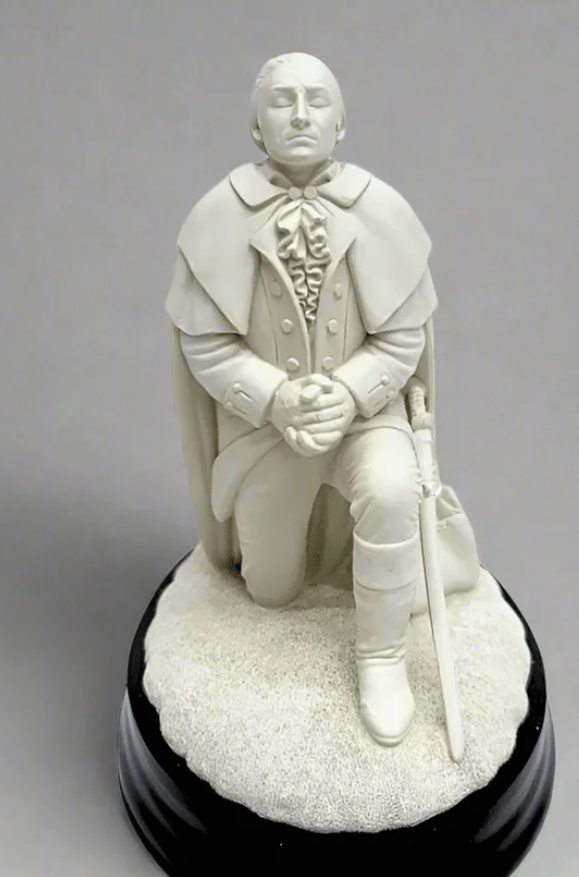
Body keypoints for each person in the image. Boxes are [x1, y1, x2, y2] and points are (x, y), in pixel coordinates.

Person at [166, 52, 478, 746]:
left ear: (342, 122)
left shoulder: (383, 211)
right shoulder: (216, 216)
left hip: (367, 419)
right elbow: (205, 344)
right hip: (266, 432)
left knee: (392, 489)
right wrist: (277, 399)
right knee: (271, 589)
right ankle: (338, 570)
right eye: (283, 101)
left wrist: (349, 392)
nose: (301, 114)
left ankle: (383, 656)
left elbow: (403, 338)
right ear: (256, 126)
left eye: (317, 100)